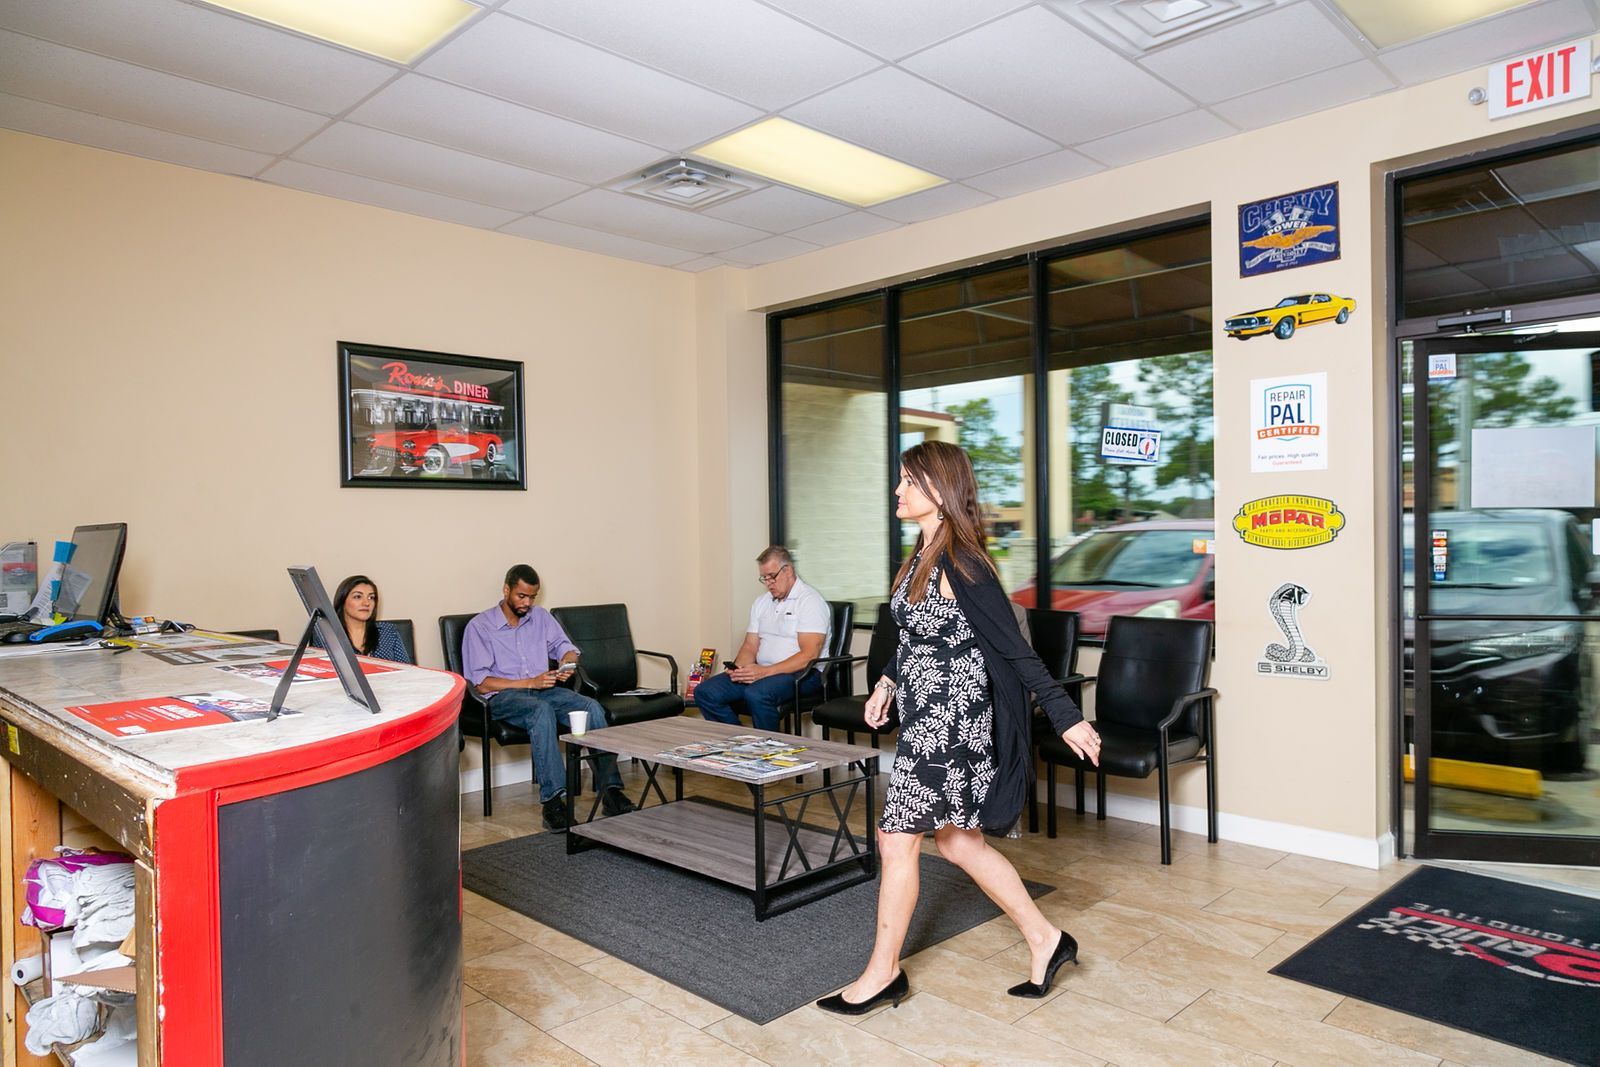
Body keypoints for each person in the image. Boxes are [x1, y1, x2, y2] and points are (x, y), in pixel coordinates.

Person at [817, 440, 1102, 1016]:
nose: (898, 491)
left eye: (910, 482)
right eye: (899, 480)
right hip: (926, 717)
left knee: (897, 839)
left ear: (940, 493)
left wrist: (1067, 715)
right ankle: (1048, 940)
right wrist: (887, 684)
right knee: (956, 841)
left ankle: (882, 972)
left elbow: (1016, 651)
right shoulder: (919, 558)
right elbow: (918, 637)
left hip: (955, 723)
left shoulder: (962, 563)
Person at [462, 564, 636, 831]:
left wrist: (568, 662)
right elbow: (482, 684)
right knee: (540, 710)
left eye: (532, 596)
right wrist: (530, 682)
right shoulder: (480, 627)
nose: (527, 603)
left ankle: (610, 791)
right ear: (506, 590)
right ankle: (553, 802)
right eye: (522, 596)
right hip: (504, 698)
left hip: (545, 690)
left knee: (591, 707)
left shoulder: (540, 617)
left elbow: (566, 647)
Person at [694, 546, 831, 732]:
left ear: (788, 570)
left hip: (803, 675)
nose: (768, 583)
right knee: (705, 692)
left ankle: (767, 752)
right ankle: (739, 743)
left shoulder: (810, 601)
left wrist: (765, 672)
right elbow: (750, 646)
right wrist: (740, 669)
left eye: (771, 576)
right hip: (764, 671)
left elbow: (809, 655)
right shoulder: (762, 602)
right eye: (764, 578)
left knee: (757, 693)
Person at [317, 574, 413, 663]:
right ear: (342, 601)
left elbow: (408, 671)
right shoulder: (326, 633)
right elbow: (319, 670)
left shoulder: (388, 631)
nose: (366, 603)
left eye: (371, 597)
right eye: (358, 597)